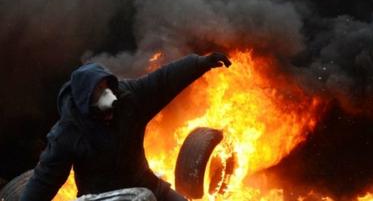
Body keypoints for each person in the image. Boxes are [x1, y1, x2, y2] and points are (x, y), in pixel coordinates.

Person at [20, 52, 231, 201]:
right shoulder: (68, 132)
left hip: (148, 187)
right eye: (98, 91)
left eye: (107, 86)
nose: (108, 96)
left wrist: (200, 63)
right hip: (102, 198)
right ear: (85, 100)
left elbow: (163, 80)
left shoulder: (129, 99)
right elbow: (44, 180)